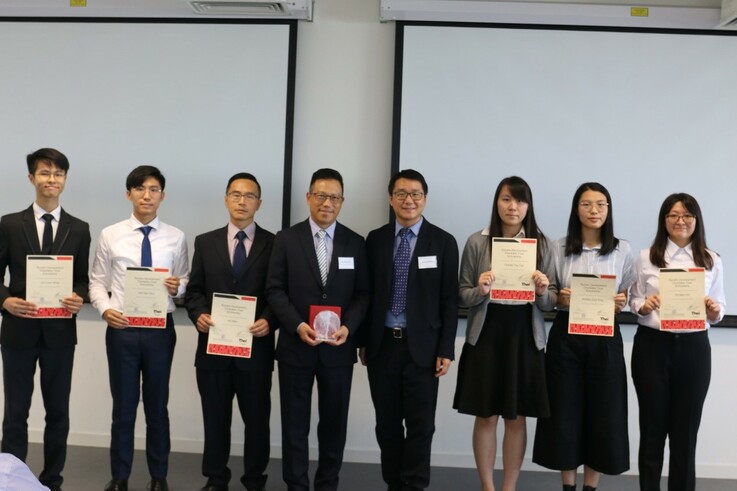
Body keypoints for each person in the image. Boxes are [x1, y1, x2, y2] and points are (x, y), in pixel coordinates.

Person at [266, 168, 369, 491]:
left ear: (342, 201)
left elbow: (364, 293)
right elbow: (274, 290)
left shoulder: (355, 242)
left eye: (334, 197)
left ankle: (327, 484)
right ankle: (296, 485)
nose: (327, 203)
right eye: (321, 196)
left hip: (337, 350)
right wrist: (296, 325)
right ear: (309, 197)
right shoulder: (286, 239)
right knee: (294, 424)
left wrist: (349, 328)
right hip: (297, 347)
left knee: (333, 425)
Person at [89, 165, 189, 491]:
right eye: (140, 189)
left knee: (158, 407)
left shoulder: (177, 237)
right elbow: (96, 282)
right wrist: (105, 310)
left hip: (161, 330)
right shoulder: (110, 234)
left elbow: (186, 279)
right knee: (124, 407)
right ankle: (120, 477)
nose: (147, 195)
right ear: (128, 193)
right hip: (122, 330)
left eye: (154, 189)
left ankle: (159, 477)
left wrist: (179, 287)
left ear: (162, 195)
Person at [359, 169, 458, 491]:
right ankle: (393, 484)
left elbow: (449, 301)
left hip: (424, 349)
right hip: (382, 345)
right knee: (386, 425)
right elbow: (365, 294)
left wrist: (445, 349)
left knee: (420, 426)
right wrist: (362, 341)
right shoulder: (375, 240)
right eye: (401, 193)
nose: (408, 200)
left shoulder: (443, 242)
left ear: (425, 199)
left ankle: (414, 485)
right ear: (391, 199)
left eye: (415, 194)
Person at [453, 176, 554, 491]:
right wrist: (480, 290)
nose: (513, 207)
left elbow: (550, 302)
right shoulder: (476, 242)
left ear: (529, 206)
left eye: (520, 200)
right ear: (496, 203)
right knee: (485, 416)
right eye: (507, 199)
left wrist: (541, 290)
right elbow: (462, 294)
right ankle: (487, 486)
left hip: (524, 336)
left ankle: (509, 486)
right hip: (486, 336)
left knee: (517, 417)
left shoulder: (543, 243)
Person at [532, 182, 634, 491]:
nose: (594, 211)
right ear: (577, 209)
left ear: (608, 209)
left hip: (604, 337)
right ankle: (568, 486)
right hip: (567, 336)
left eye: (601, 204)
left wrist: (622, 301)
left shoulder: (623, 249)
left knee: (603, 414)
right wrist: (557, 299)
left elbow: (627, 294)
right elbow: (545, 297)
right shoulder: (557, 247)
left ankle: (590, 487)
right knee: (564, 413)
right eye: (587, 204)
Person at [0, 148, 91, 491]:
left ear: (65, 180)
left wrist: (78, 295)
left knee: (58, 414)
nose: (51, 180)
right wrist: (6, 300)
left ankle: (52, 480)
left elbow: (81, 277)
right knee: (15, 414)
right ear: (31, 178)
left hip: (59, 334)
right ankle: (10, 480)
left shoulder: (79, 228)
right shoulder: (9, 224)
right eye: (44, 173)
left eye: (58, 174)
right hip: (18, 332)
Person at [184, 172, 275, 491]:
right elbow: (194, 291)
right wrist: (199, 314)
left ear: (259, 203)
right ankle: (216, 478)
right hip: (213, 349)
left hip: (256, 350)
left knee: (257, 422)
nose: (242, 201)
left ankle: (254, 479)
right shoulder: (205, 242)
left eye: (249, 196)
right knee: (215, 419)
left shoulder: (274, 243)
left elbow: (278, 292)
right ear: (225, 199)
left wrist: (269, 320)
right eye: (235, 194)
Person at [629, 193, 724, 491]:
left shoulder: (711, 260)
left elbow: (720, 307)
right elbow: (634, 298)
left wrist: (713, 311)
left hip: (694, 350)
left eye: (687, 215)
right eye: (673, 215)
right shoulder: (646, 257)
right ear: (664, 220)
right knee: (652, 431)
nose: (680, 221)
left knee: (685, 435)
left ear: (697, 221)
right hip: (652, 348)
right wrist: (643, 305)